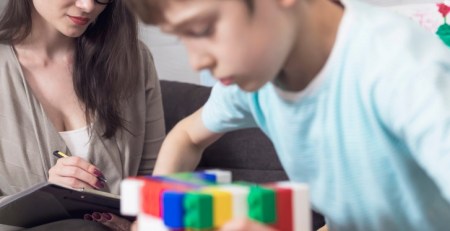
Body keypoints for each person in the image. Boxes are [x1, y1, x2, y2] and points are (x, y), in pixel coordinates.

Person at [125, 0, 450, 230]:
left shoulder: (404, 74)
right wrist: (157, 214)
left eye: (203, 28)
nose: (197, 61)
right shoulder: (259, 75)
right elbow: (186, 137)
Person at [0, 0, 165, 230]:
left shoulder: (134, 59)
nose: (88, 6)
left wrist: (143, 223)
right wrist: (42, 199)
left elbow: (157, 177)